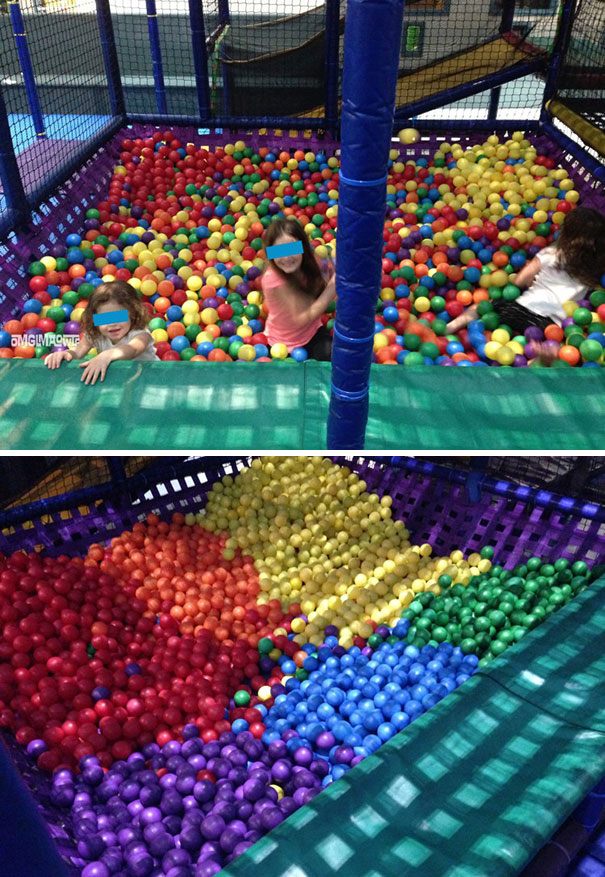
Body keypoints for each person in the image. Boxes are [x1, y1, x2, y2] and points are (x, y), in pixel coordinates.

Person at [446, 207, 605, 337]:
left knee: (482, 307)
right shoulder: (596, 271)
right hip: (551, 328)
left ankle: (451, 327)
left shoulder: (550, 255)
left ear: (565, 234)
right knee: (553, 345)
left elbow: (519, 281)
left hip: (521, 310)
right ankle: (538, 356)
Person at [45, 280, 158, 384]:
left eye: (118, 317)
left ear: (132, 314)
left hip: (150, 378)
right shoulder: (96, 333)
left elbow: (133, 349)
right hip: (120, 380)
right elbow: (78, 352)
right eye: (105, 319)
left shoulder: (140, 333)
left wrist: (107, 355)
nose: (112, 324)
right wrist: (67, 354)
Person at [260, 217, 337, 361]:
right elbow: (302, 318)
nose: (287, 257)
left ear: (302, 248)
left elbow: (323, 276)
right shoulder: (273, 280)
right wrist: (334, 285)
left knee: (337, 357)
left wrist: (334, 266)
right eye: (278, 251)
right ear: (271, 254)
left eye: (291, 249)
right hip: (283, 344)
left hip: (312, 332)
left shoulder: (309, 262)